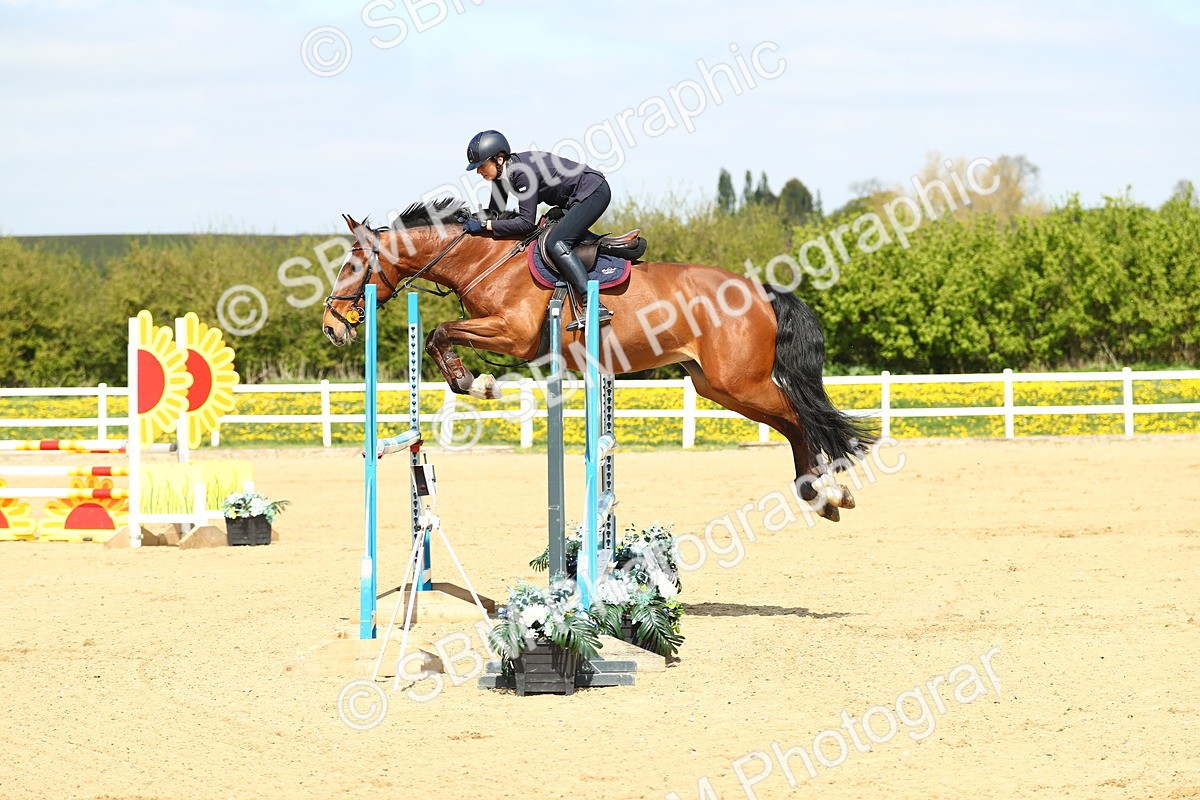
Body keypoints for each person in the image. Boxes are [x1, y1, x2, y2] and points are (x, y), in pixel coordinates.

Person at [462, 129, 613, 330]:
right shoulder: (503, 175)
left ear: (499, 159)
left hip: (593, 192)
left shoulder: (521, 173)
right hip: (573, 199)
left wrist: (484, 225)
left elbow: (526, 223)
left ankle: (593, 305)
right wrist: (470, 219)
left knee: (556, 242)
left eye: (481, 166)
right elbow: (496, 213)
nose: (479, 171)